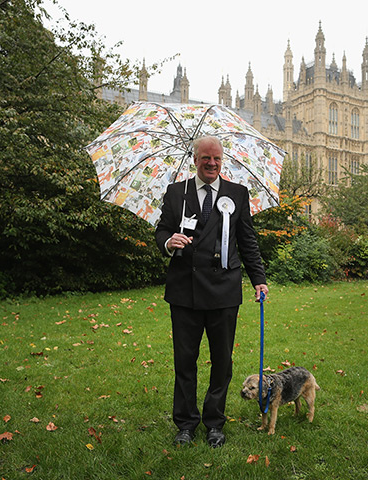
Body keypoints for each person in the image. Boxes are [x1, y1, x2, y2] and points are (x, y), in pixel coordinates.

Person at [155, 135, 269, 448]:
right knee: (185, 362)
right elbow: (162, 229)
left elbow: (247, 241)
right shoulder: (177, 192)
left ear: (222, 160)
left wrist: (258, 278)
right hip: (184, 293)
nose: (212, 164)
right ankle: (186, 424)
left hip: (224, 292)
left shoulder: (237, 194)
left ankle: (215, 423)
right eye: (206, 158)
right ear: (195, 160)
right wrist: (168, 242)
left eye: (217, 158)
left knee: (222, 362)